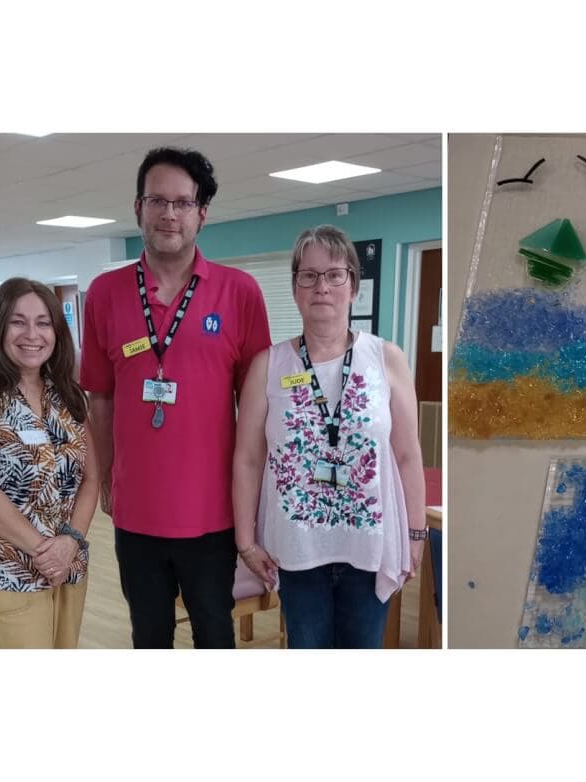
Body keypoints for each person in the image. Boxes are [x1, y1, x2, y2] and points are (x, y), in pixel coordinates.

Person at [81, 147, 271, 648]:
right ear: (137, 208)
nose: (169, 213)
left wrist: (253, 499)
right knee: (149, 635)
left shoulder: (240, 292)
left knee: (214, 633)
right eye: (157, 201)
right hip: (136, 509)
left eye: (183, 203)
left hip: (213, 511)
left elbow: (256, 411)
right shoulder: (104, 294)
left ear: (201, 213)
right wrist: (105, 477)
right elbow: (100, 400)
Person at [232, 225, 428, 649]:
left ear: (353, 286)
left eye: (334, 275)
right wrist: (245, 541)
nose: (322, 286)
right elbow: (248, 458)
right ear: (295, 289)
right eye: (309, 275)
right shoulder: (269, 366)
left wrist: (416, 534)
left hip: (369, 546)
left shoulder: (386, 359)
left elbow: (408, 455)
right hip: (297, 548)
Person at [0, 277, 98, 648]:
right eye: (18, 322)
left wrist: (70, 543)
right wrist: (44, 551)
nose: (32, 334)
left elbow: (92, 478)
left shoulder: (67, 393)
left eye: (43, 323)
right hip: (3, 570)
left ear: (57, 332)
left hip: (67, 568)